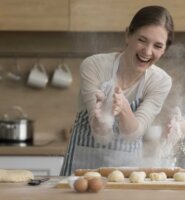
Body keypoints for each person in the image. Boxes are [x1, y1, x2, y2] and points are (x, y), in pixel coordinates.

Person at [60, 5, 174, 176]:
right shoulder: (95, 66)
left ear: (164, 50)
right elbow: (101, 135)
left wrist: (124, 109)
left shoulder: (160, 81)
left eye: (158, 46)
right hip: (80, 170)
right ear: (128, 34)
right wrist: (102, 121)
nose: (148, 51)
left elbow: (132, 134)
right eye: (142, 40)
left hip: (127, 175)